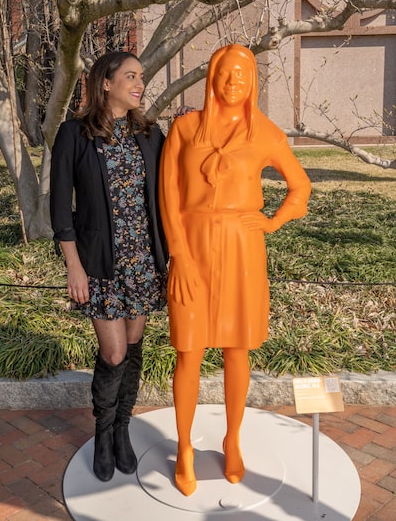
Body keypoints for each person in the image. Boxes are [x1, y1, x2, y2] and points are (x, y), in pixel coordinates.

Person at [158, 44, 311, 496]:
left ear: (253, 82)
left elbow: (299, 187)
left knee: (236, 349)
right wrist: (180, 256)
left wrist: (272, 220)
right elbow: (168, 197)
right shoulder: (185, 129)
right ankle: (184, 446)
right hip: (193, 249)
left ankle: (232, 439)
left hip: (243, 247)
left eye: (242, 74)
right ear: (212, 77)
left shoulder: (265, 132)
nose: (233, 81)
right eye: (226, 72)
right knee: (188, 350)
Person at [50, 51, 168, 482]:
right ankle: (102, 433)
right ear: (106, 82)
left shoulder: (151, 134)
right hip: (100, 265)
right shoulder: (74, 134)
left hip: (142, 260)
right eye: (131, 76)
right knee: (113, 351)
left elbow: (169, 191)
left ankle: (123, 429)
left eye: (141, 77)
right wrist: (73, 267)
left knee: (133, 347)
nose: (140, 84)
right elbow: (61, 206)